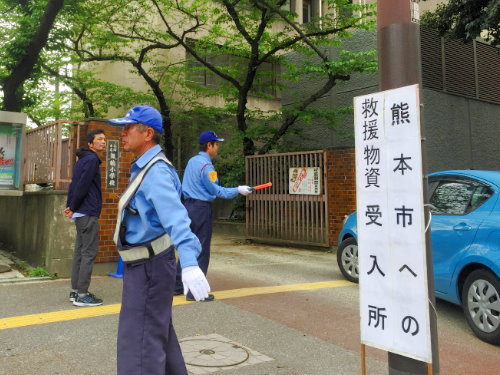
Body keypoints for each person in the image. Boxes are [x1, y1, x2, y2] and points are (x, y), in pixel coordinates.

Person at [109, 105, 210, 375]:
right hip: (147, 265)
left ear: (148, 133)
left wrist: (189, 263)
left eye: (128, 128)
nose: (123, 134)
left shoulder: (156, 172)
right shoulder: (146, 167)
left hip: (149, 267)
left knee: (139, 345)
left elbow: (178, 221)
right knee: (154, 331)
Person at [174, 130, 252, 301]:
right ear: (209, 145)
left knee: (188, 245)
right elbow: (216, 190)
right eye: (216, 144)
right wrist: (238, 190)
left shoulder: (192, 161)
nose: (218, 148)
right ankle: (196, 292)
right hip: (201, 208)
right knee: (201, 248)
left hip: (187, 207)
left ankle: (177, 286)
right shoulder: (207, 166)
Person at [64, 129, 106, 307]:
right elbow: (81, 185)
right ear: (90, 144)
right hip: (87, 212)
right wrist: (72, 206)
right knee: (88, 254)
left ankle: (75, 291)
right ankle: (82, 294)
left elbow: (74, 184)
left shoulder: (82, 160)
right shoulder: (91, 160)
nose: (103, 142)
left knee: (80, 254)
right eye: (99, 139)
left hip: (81, 212)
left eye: (104, 139)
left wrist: (70, 206)